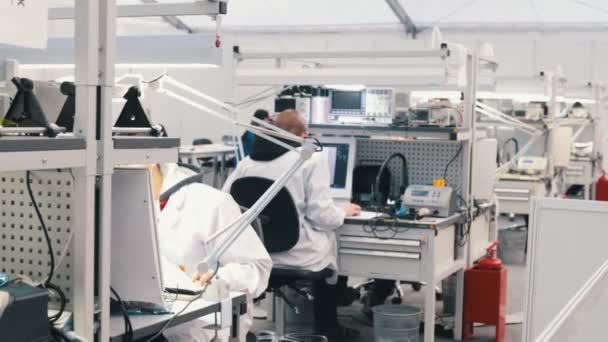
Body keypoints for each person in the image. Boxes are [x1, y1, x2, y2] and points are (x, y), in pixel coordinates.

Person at [223, 109, 361, 339]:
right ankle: (328, 328)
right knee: (330, 241)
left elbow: (226, 202)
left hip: (257, 254)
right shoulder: (311, 158)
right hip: (299, 255)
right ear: (304, 135)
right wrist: (342, 211)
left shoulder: (246, 163)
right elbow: (323, 217)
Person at [146, 163, 272, 342]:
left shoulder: (209, 201)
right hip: (143, 317)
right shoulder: (109, 201)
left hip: (200, 323)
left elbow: (257, 268)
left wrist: (219, 279)